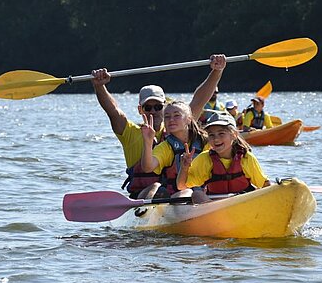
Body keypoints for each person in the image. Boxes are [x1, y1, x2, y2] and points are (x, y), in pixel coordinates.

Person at [91, 54, 226, 198]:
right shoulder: (130, 132)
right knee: (156, 187)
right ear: (140, 110)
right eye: (148, 107)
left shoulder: (175, 126)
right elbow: (113, 111)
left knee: (188, 191)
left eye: (158, 106)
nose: (153, 111)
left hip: (177, 195)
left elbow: (199, 99)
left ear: (164, 107)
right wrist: (99, 86)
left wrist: (217, 71)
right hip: (144, 198)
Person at [176, 112, 270, 203]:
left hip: (242, 203)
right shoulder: (205, 159)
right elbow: (181, 186)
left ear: (234, 135)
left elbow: (265, 185)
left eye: (221, 134)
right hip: (214, 207)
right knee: (196, 194)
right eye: (211, 135)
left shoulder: (246, 158)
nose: (216, 139)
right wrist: (184, 167)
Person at [139, 100, 208, 198]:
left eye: (176, 115)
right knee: (158, 187)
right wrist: (148, 141)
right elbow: (147, 167)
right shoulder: (166, 147)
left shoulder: (206, 141)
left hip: (205, 193)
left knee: (196, 194)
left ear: (188, 119)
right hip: (177, 197)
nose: (171, 119)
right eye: (167, 117)